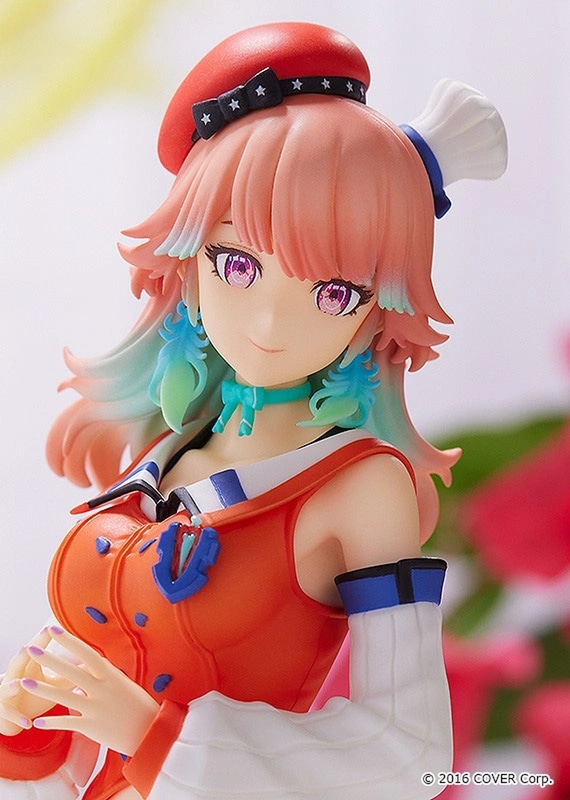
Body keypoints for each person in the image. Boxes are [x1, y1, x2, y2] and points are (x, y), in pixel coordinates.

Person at [0, 21, 507, 800]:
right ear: (189, 255)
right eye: (237, 264)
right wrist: (34, 725)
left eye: (333, 292)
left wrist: (155, 734)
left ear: (378, 307)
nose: (271, 322)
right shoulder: (172, 444)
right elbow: (87, 723)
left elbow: (408, 751)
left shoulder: (359, 486)